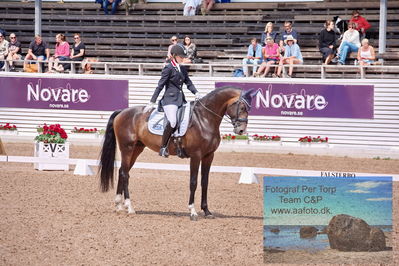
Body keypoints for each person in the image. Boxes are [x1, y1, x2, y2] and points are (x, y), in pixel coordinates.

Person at [144, 45, 200, 157]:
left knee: (187, 120)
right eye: (180, 56)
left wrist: (196, 93)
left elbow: (188, 83)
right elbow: (160, 86)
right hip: (169, 100)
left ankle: (180, 146)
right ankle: (163, 147)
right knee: (173, 121)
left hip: (181, 100)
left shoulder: (182, 68)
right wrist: (152, 101)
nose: (182, 58)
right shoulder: (168, 68)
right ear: (174, 56)